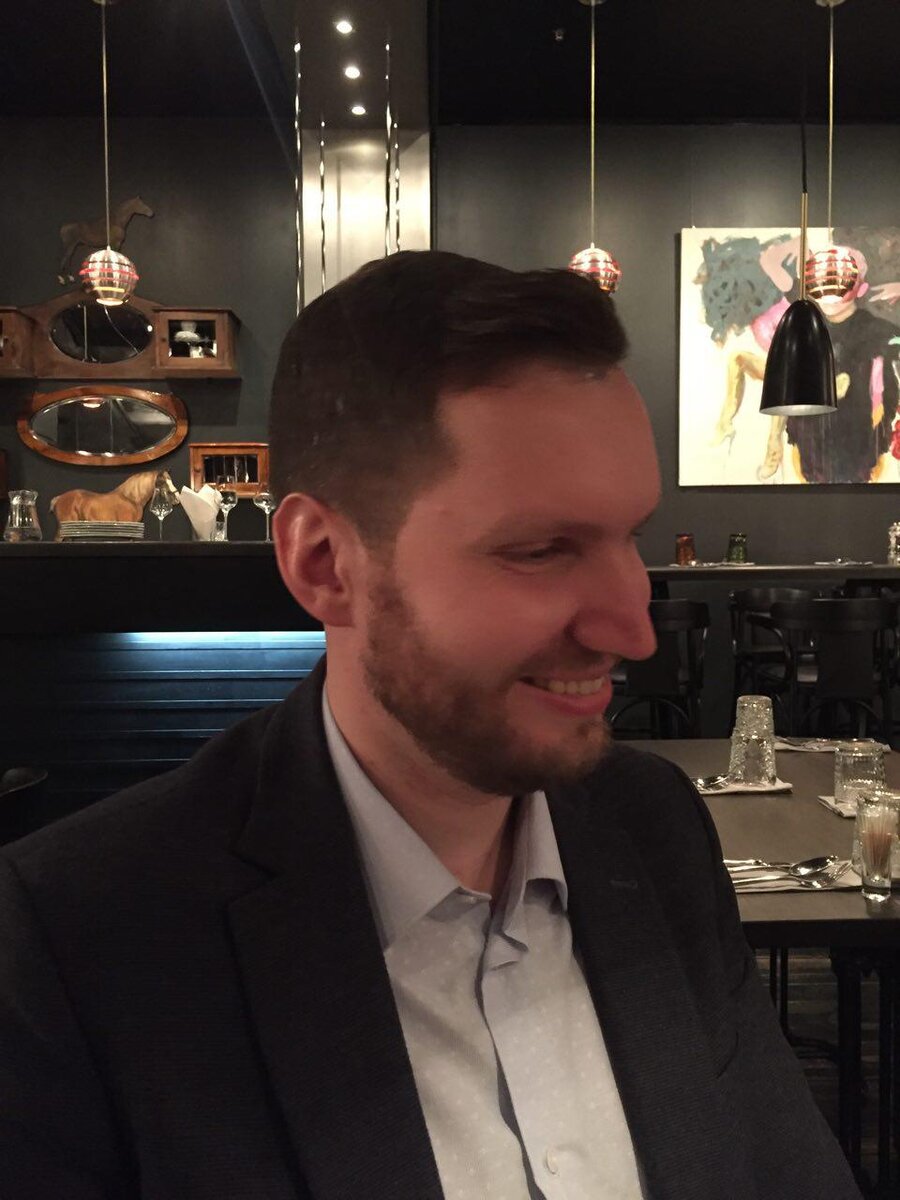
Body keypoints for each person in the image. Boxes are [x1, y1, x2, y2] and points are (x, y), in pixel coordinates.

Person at [0, 251, 861, 1199]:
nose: (634, 632)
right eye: (540, 550)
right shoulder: (80, 939)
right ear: (325, 565)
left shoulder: (653, 825)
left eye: (631, 537)